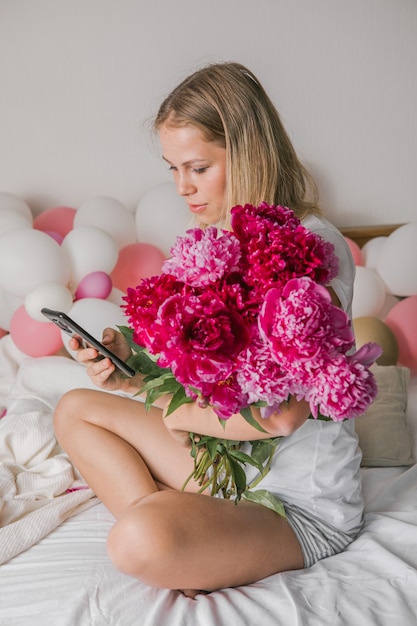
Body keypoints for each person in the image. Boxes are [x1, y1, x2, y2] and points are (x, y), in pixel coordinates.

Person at [53, 62, 362, 598]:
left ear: (245, 155)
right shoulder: (218, 240)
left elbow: (282, 415)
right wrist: (139, 372)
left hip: (293, 501)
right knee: (74, 409)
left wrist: (173, 416)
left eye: (197, 168)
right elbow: (208, 384)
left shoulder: (313, 247)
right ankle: (194, 545)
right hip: (226, 462)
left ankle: (186, 544)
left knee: (136, 540)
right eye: (173, 169)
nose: (182, 188)